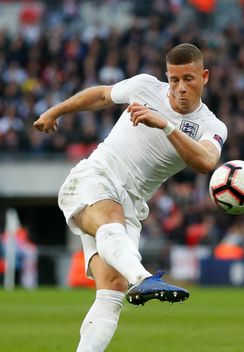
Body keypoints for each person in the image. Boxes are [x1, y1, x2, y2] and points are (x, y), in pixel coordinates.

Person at [34, 43, 227, 351]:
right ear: (167, 76)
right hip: (93, 178)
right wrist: (55, 110)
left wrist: (164, 125)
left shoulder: (212, 126)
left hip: (131, 204)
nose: (179, 88)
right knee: (111, 220)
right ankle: (143, 276)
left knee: (111, 291)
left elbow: (205, 162)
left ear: (204, 77)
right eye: (174, 79)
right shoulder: (145, 86)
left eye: (188, 79)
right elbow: (101, 95)